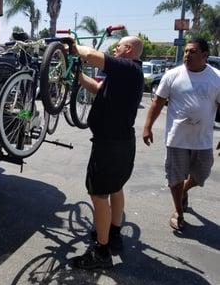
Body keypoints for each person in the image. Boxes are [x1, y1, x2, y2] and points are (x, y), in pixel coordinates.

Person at [70, 36, 144, 269]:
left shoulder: (128, 68)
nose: (114, 48)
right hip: (122, 144)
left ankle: (101, 253)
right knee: (115, 188)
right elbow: (99, 89)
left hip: (109, 145)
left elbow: (91, 55)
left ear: (128, 49)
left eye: (118, 45)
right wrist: (78, 77)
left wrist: (73, 47)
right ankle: (113, 233)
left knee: (99, 195)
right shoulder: (127, 75)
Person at [143, 38, 220, 231]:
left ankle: (185, 190)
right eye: (186, 51)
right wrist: (147, 127)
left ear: (204, 55)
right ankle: (178, 211)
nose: (187, 55)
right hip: (176, 138)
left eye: (192, 51)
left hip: (203, 140)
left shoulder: (217, 77)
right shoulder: (172, 75)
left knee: (202, 173)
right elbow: (157, 102)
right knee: (175, 176)